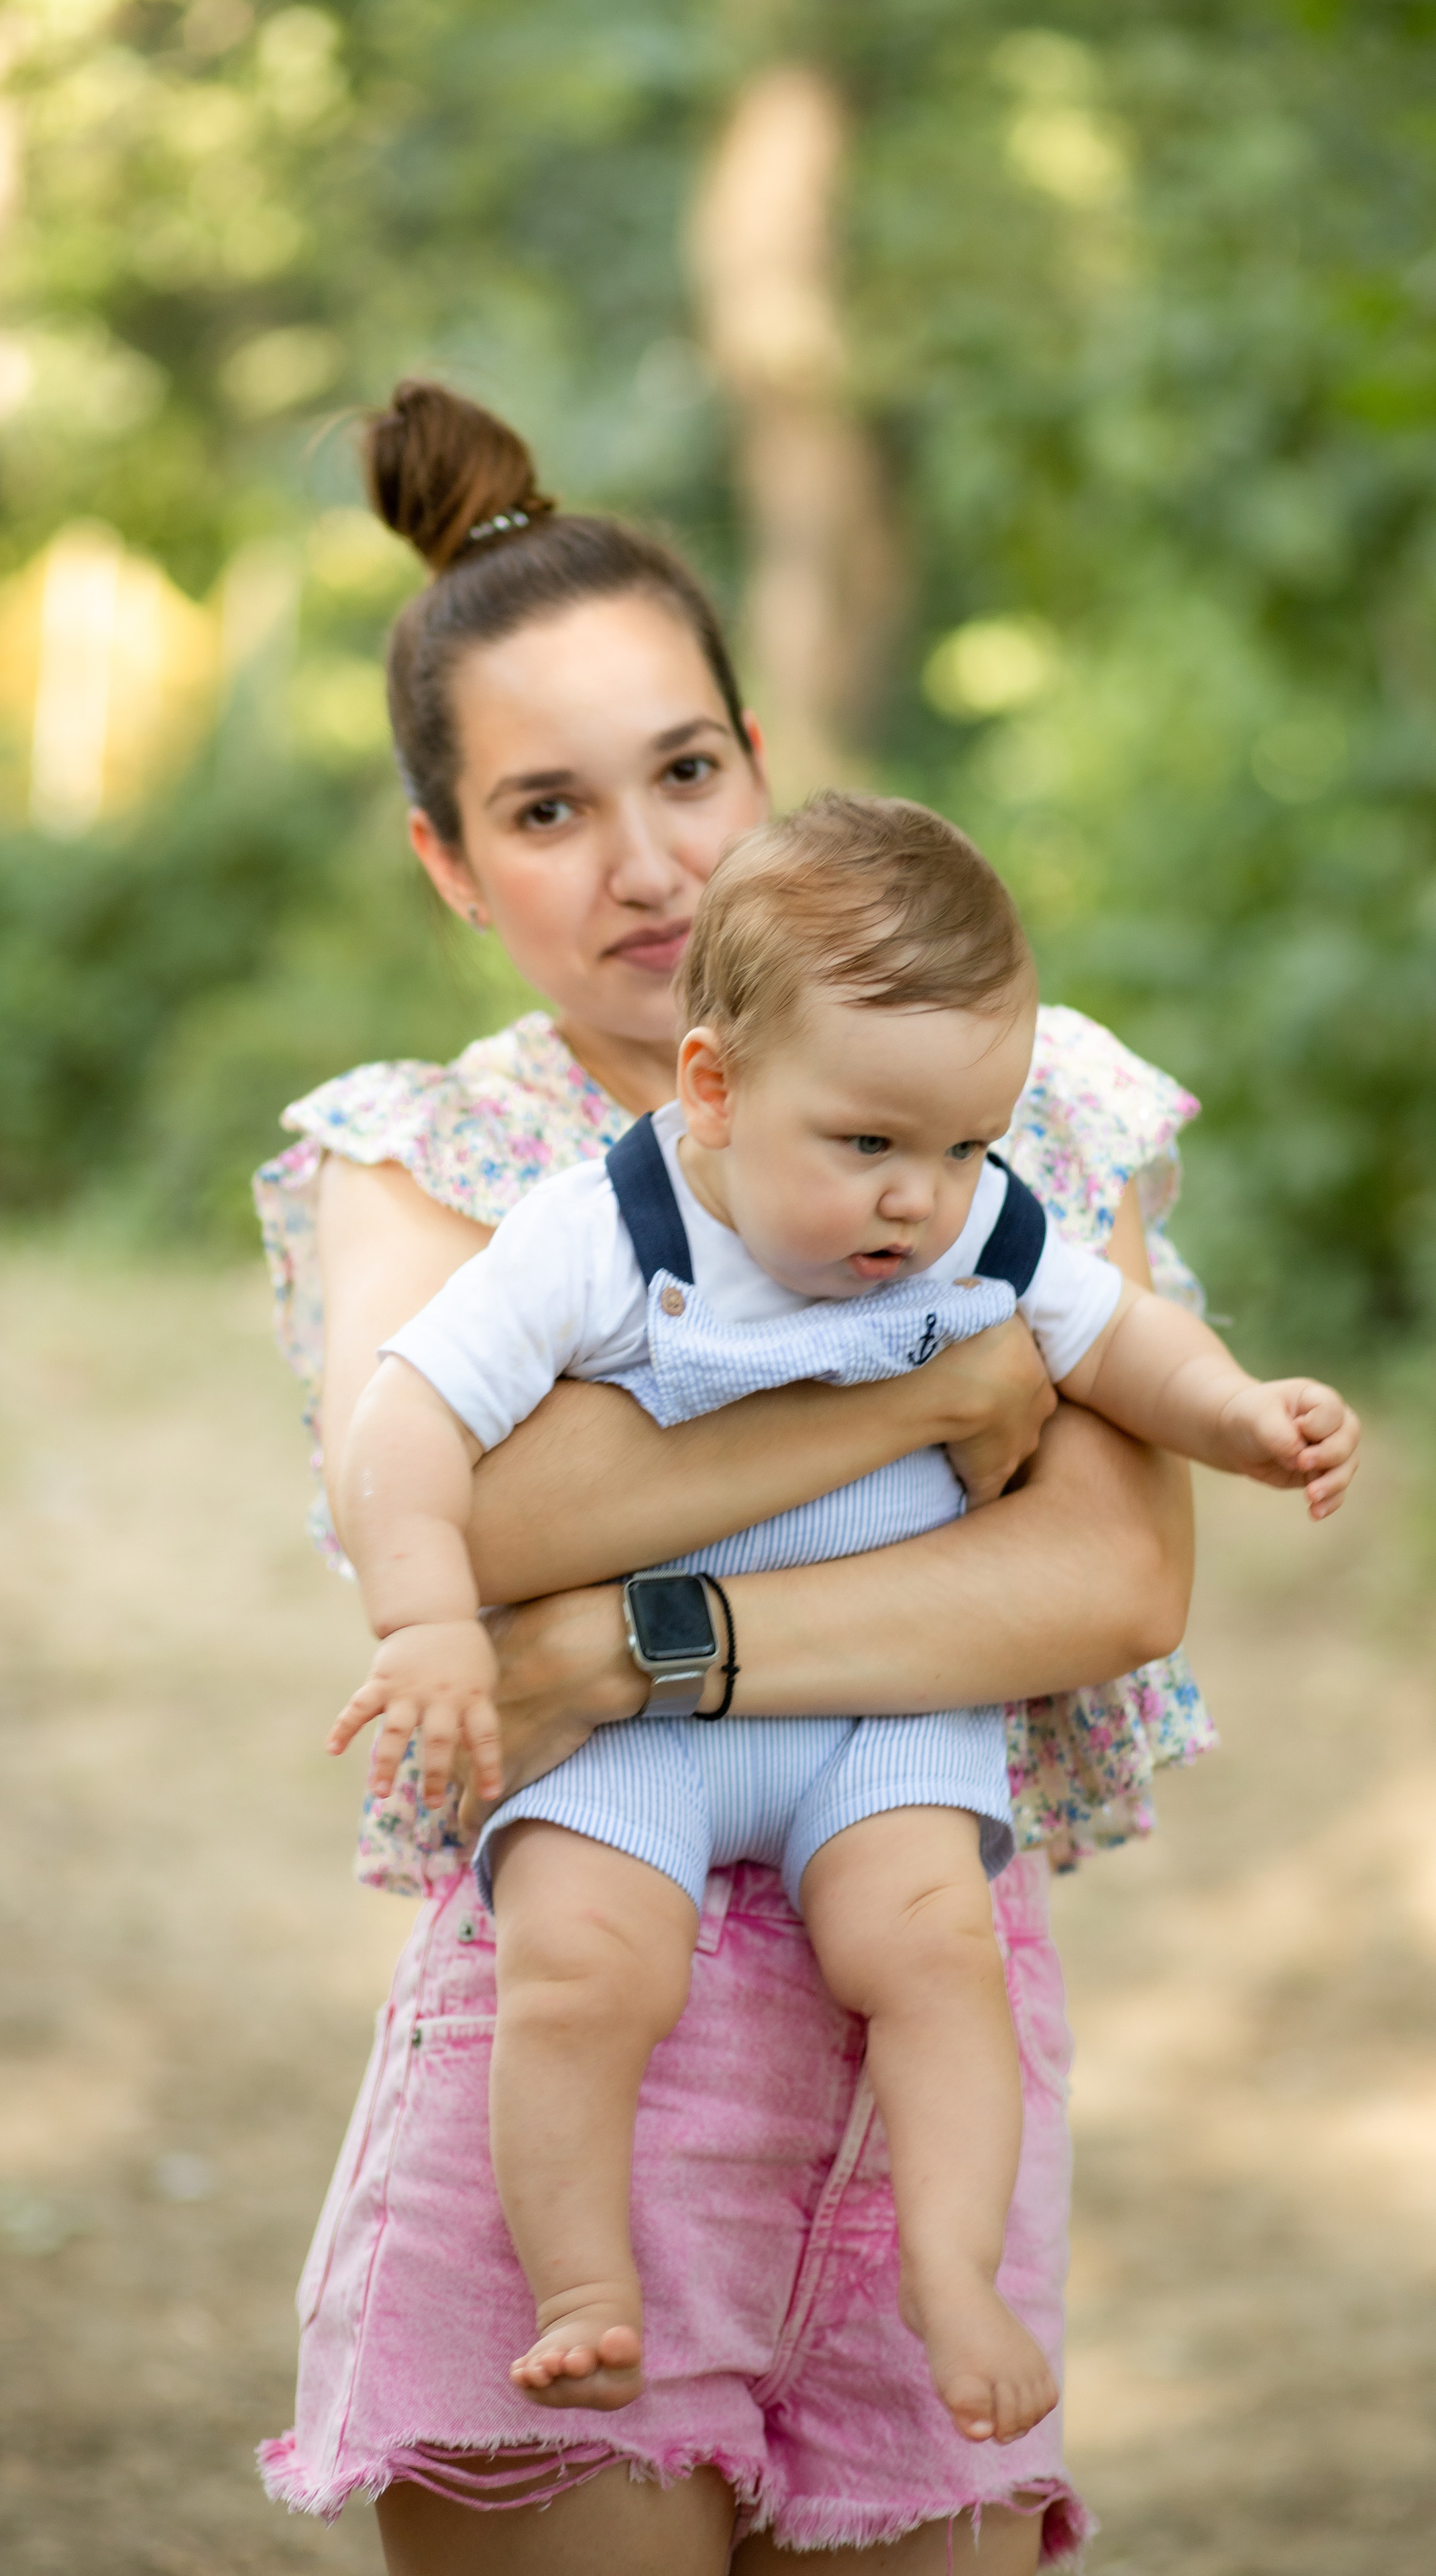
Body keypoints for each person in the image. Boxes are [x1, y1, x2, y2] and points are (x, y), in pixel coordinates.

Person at [256, 378, 1223, 2573]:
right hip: (581, 2027)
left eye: (687, 770)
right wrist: (921, 1401)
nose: (652, 864)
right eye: (547, 808)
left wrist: (631, 1647)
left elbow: (1109, 1572)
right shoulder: (422, 1159)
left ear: (762, 762)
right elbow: (483, 1521)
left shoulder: (1012, 1088)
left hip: (926, 1997)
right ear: (446, 862)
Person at [328, 794, 1360, 2453]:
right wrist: (428, 1619)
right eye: (869, 1148)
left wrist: (1235, 1414)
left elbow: (1118, 1340)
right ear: (714, 1089)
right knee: (578, 1968)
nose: (921, 1204)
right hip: (636, 1733)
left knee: (936, 1955)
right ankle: (583, 2287)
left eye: (961, 1147)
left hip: (879, 1707)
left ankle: (950, 2272)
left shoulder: (983, 1221)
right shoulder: (598, 1232)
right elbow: (407, 1419)